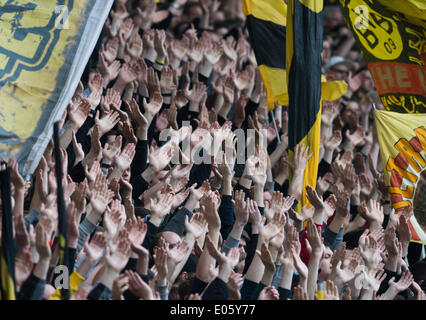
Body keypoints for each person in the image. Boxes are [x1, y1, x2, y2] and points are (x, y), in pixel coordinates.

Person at [0, 0, 424, 301]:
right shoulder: (243, 267)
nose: (171, 196)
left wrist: (35, 199)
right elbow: (257, 271)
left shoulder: (58, 265)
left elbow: (53, 262)